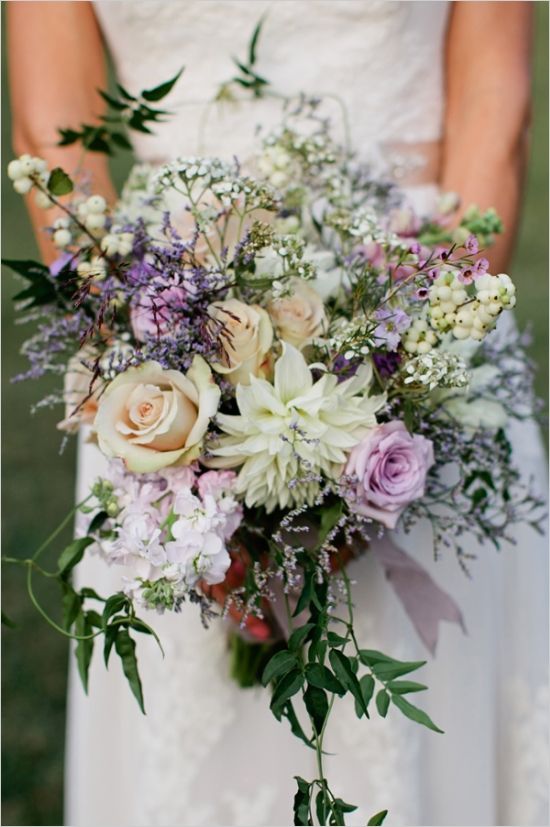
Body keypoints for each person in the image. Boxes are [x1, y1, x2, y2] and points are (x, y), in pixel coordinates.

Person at [8, 2, 548, 825]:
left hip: (421, 316)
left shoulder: (416, 370)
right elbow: (55, 143)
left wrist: (400, 396)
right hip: (163, 353)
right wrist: (176, 426)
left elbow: (493, 113)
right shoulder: (161, 391)